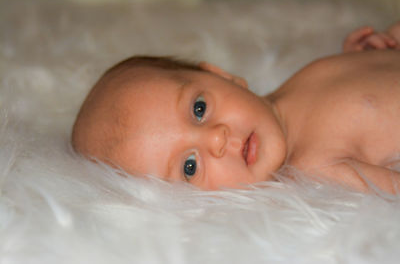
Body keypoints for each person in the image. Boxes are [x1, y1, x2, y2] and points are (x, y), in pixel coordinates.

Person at [72, 21, 400, 194]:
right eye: (189, 167)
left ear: (221, 75)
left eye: (199, 109)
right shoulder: (316, 166)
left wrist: (370, 53)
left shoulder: (303, 80)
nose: (216, 139)